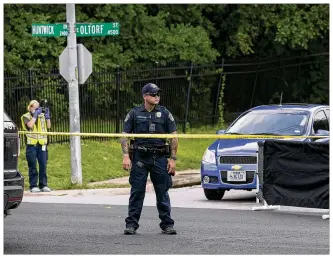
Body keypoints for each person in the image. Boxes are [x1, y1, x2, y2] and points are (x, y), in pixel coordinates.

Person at [120, 83, 178, 235]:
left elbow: (174, 136)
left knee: (162, 191)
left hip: (159, 157)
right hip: (140, 157)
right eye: (153, 94)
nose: (156, 97)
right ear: (145, 96)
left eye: (158, 94)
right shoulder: (134, 113)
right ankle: (131, 224)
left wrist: (173, 159)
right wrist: (126, 155)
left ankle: (167, 224)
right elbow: (124, 136)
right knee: (137, 191)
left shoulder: (165, 113)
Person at [21, 100, 51, 193]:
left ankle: (43, 185)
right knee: (32, 166)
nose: (38, 109)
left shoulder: (41, 117)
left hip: (42, 144)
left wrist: (47, 117)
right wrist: (35, 116)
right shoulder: (25, 116)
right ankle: (33, 185)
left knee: (43, 165)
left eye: (39, 108)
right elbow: (29, 125)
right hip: (32, 145)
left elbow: (49, 126)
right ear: (30, 107)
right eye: (36, 108)